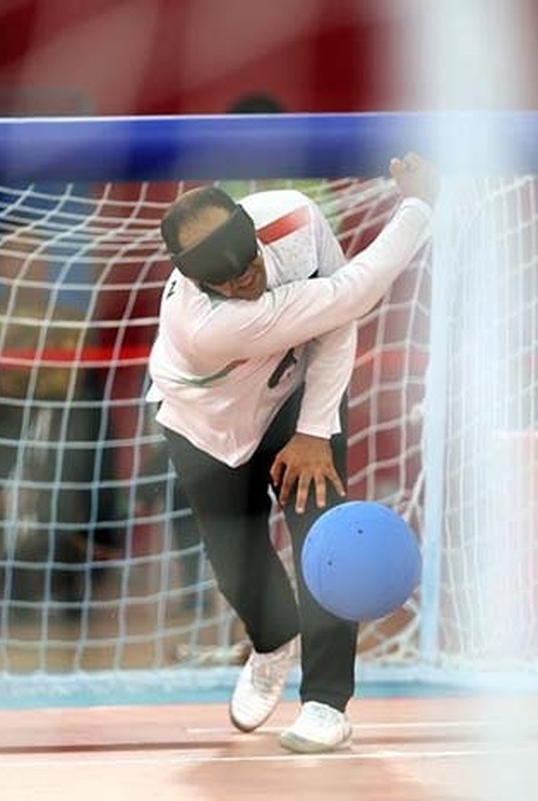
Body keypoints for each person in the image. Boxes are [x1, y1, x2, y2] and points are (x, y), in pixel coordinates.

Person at [147, 151, 438, 753]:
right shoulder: (207, 325)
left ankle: (327, 703)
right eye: (227, 282)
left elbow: (338, 320)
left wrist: (315, 429)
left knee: (328, 546)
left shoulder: (296, 220)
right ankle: (272, 642)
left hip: (292, 394)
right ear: (197, 281)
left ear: (253, 231)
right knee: (236, 560)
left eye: (249, 264)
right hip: (206, 421)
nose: (245, 282)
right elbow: (352, 294)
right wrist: (418, 204)